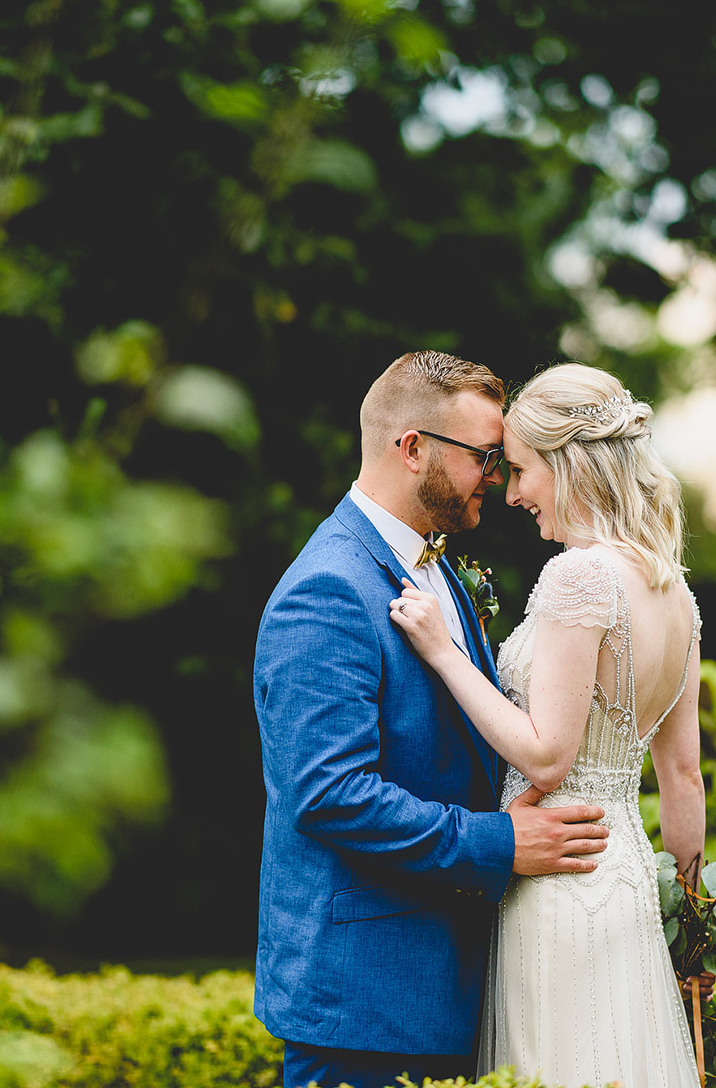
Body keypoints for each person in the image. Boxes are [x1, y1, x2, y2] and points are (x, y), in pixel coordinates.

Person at [253, 351, 613, 1088]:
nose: (496, 475)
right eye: (483, 456)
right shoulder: (326, 591)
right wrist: (499, 841)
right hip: (366, 1007)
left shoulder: (439, 568)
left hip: (452, 988)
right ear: (412, 448)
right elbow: (330, 795)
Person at [391, 362, 706, 1088]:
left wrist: (443, 651)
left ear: (570, 467)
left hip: (561, 875)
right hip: (622, 878)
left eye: (525, 470)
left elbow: (546, 757)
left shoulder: (581, 576)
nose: (514, 493)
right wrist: (693, 930)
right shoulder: (675, 594)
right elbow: (683, 778)